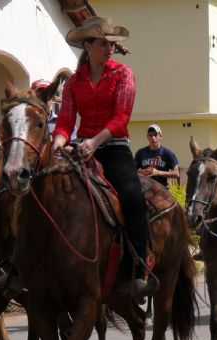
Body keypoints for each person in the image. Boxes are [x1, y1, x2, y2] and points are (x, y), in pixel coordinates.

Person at [52, 16, 156, 298]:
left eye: (112, 44)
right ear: (87, 45)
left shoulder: (123, 74)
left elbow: (121, 118)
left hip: (114, 147)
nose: (110, 49)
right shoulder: (74, 83)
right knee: (48, 191)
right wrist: (58, 143)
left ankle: (139, 264)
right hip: (81, 148)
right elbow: (65, 121)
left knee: (133, 195)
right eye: (103, 44)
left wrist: (94, 142)